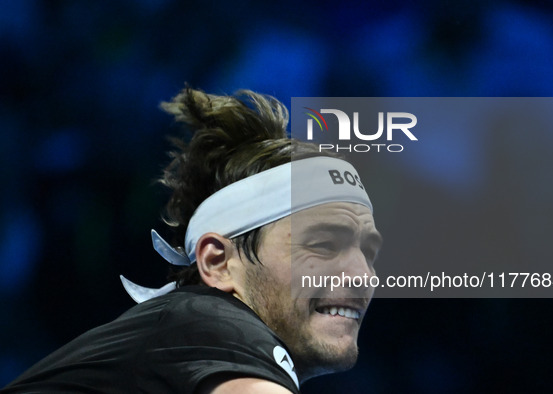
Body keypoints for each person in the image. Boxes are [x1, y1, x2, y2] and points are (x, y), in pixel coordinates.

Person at [2, 88, 382, 393]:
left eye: (368, 250)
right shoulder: (214, 326)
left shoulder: (183, 334)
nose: (363, 275)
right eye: (323, 245)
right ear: (218, 262)